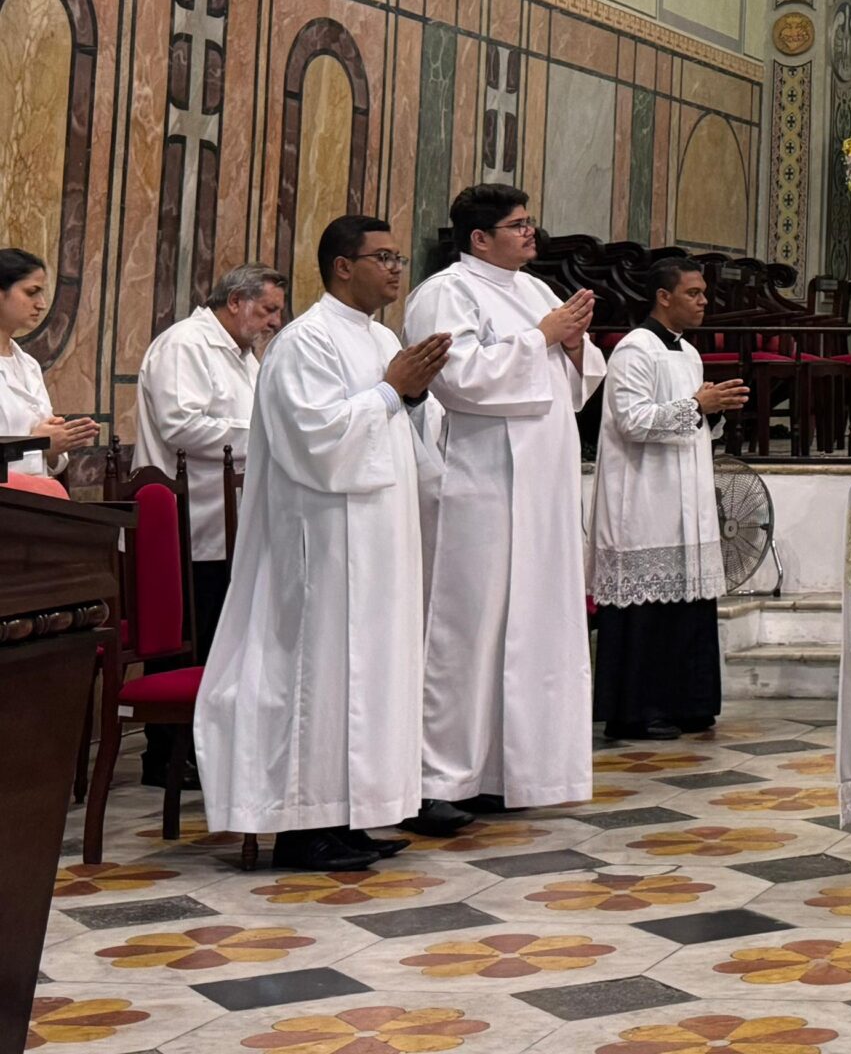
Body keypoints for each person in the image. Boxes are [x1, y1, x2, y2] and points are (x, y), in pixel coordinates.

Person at [198, 215, 458, 869]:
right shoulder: (303, 342)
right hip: (324, 544)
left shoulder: (380, 337)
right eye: (383, 258)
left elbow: (400, 430)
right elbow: (318, 441)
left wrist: (412, 398)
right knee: (319, 677)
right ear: (343, 266)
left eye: (398, 258)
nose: (396, 269)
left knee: (369, 677)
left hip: (379, 537)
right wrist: (392, 390)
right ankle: (303, 826)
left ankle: (351, 814)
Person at [404, 184, 604, 824]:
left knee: (534, 626)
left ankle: (508, 769)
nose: (529, 232)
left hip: (543, 482)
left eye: (529, 222)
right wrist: (543, 338)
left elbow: (575, 387)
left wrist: (574, 347)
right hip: (481, 480)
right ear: (479, 238)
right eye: (517, 225)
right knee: (467, 629)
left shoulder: (536, 289)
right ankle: (438, 778)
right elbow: (458, 380)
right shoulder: (444, 293)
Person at [133, 263, 286, 785]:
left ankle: (211, 747)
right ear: (236, 301)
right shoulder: (186, 344)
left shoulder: (244, 356)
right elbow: (182, 425)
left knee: (222, 639)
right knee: (188, 640)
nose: (274, 322)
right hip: (191, 521)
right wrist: (264, 435)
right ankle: (167, 756)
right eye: (268, 309)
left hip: (233, 522)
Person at [591, 256, 749, 742]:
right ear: (663, 296)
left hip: (686, 494)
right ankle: (636, 711)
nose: (704, 301)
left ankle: (688, 702)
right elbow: (631, 420)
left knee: (688, 602)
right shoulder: (634, 350)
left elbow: (693, 420)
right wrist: (698, 405)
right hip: (645, 497)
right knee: (647, 613)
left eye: (703, 293)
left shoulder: (689, 352)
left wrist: (713, 411)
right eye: (693, 293)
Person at [0, 249, 99, 485]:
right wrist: (38, 445)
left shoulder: (29, 365)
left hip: (34, 498)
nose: (42, 304)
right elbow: (36, 445)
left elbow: (51, 456)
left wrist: (57, 443)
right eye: (31, 292)